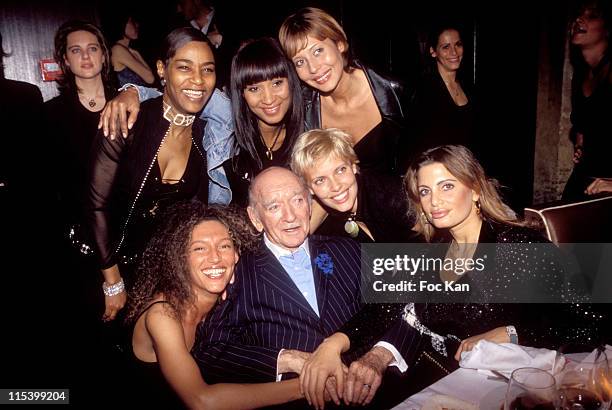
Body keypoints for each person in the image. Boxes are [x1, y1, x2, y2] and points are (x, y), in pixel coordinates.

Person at [298, 145, 600, 407]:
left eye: (447, 186)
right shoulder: (434, 250)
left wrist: (512, 333)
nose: (434, 202)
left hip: (505, 388)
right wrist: (333, 344)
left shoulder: (515, 246)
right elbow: (385, 306)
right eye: (426, 192)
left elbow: (591, 321)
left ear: (476, 189)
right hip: (442, 381)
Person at [195, 167, 421, 409]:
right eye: (274, 207)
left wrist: (378, 357)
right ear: (255, 218)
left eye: (297, 200)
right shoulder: (237, 273)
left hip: (379, 397)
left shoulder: (348, 250)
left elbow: (412, 301)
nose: (290, 216)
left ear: (310, 205)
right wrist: (289, 360)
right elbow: (211, 351)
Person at [88, 27, 215, 322]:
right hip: (100, 261)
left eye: (207, 70)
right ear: (162, 69)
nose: (198, 80)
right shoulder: (126, 120)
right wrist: (112, 280)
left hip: (150, 273)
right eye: (184, 67)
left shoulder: (205, 134)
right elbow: (95, 205)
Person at [125, 200, 302, 408]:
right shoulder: (163, 314)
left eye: (224, 246)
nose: (215, 258)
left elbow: (287, 242)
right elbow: (201, 401)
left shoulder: (230, 295)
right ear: (180, 258)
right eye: (200, 249)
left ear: (236, 255)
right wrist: (308, 385)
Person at [279, 7, 411, 175]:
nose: (313, 68)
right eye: (300, 62)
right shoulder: (303, 109)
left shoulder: (395, 93)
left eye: (318, 51)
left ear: (340, 44)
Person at [290, 128, 416, 243]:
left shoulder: (389, 193)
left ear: (353, 166)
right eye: (320, 180)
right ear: (310, 189)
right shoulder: (325, 226)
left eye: (340, 170)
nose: (335, 186)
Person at [225, 37, 304, 206]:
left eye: (277, 83)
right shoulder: (227, 146)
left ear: (291, 82)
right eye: (254, 88)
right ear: (241, 94)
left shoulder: (309, 135)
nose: (268, 99)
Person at [562, 0, 612, 200]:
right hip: (586, 178)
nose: (578, 20)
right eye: (578, 15)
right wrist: (581, 144)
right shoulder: (582, 75)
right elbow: (583, 122)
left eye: (591, 16)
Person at [410, 23, 475, 156]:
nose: (454, 52)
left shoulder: (469, 88)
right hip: (438, 170)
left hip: (466, 169)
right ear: (433, 51)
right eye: (446, 47)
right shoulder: (423, 91)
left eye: (458, 44)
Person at [105, 12, 155, 86]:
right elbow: (150, 79)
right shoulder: (118, 49)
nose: (137, 25)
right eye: (131, 22)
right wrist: (137, 55)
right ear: (121, 25)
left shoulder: (126, 49)